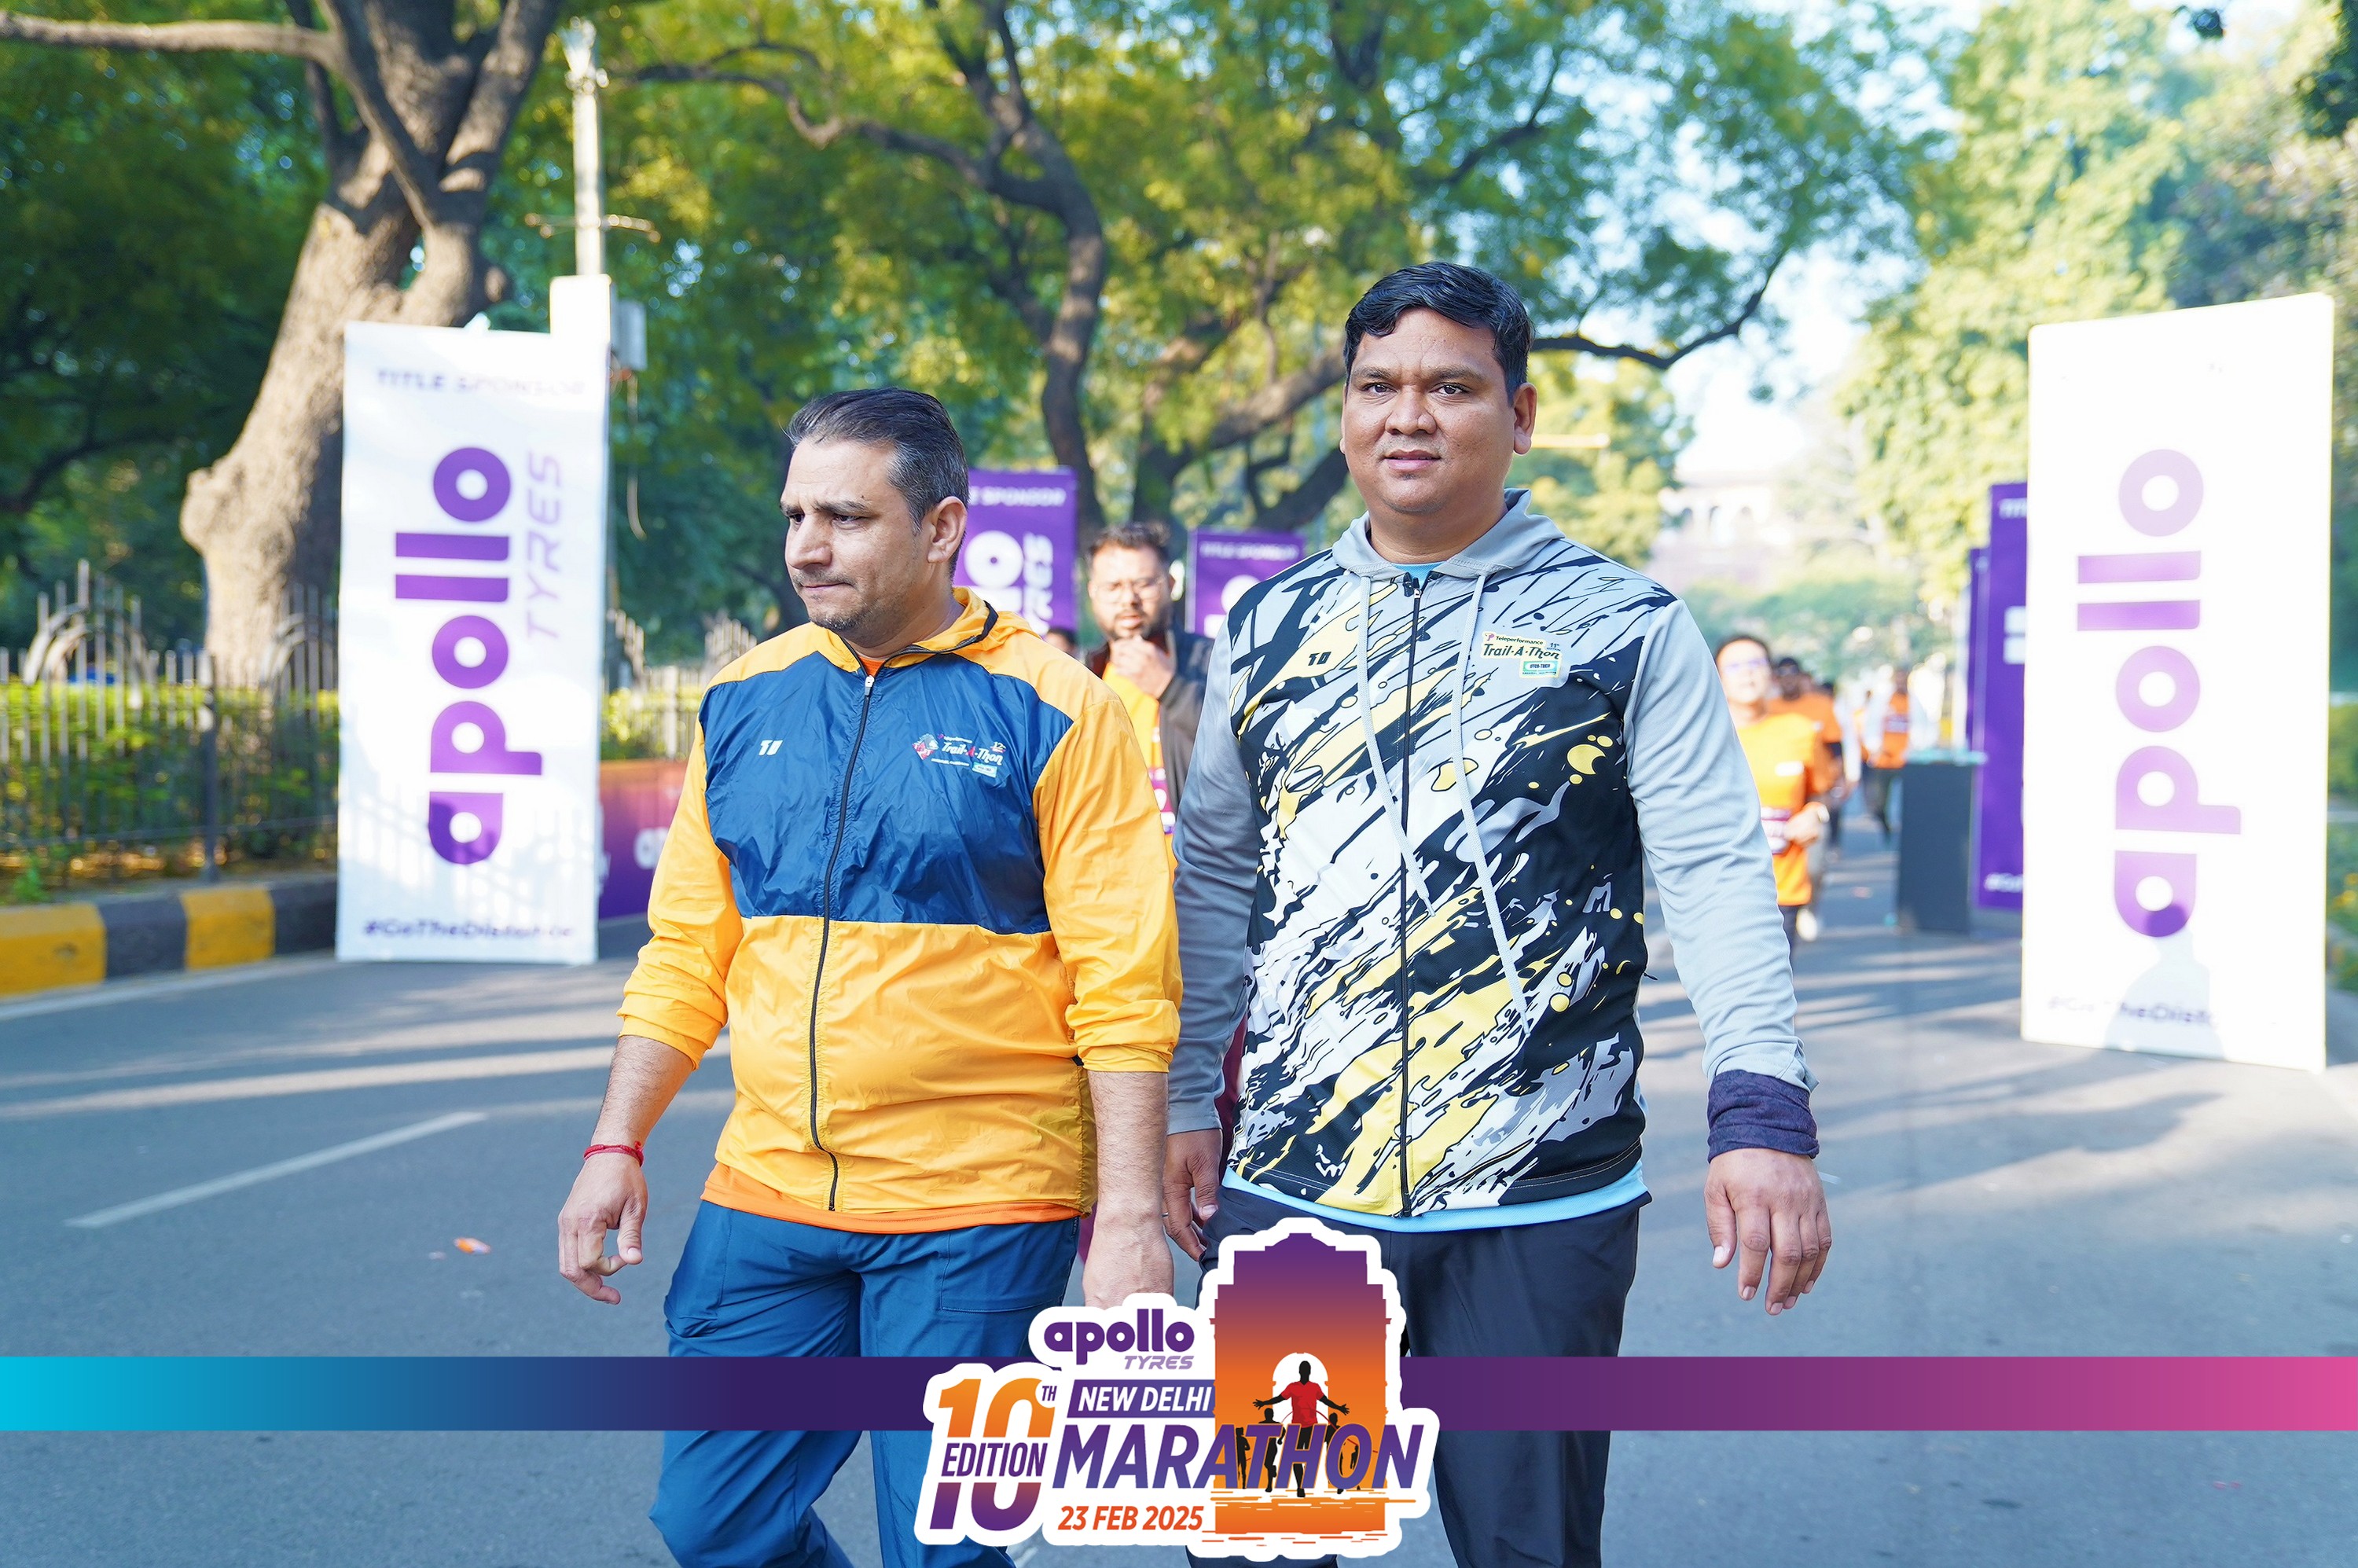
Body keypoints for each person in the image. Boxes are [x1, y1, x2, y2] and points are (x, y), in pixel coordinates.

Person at [1163, 263, 1828, 1568]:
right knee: (1262, 1547)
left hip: (1539, 1197)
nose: (1408, 414)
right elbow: (1216, 879)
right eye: (1377, 386)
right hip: (1298, 1193)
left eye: (1451, 387)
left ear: (1519, 416)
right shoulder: (1267, 626)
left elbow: (1712, 869)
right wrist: (1189, 1096)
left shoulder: (1624, 624)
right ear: (1345, 414)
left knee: (1529, 1551)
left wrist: (1762, 1110)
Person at [556, 387, 1179, 1568]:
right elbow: (686, 949)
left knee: (948, 1548)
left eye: (845, 517)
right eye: (796, 514)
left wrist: (1131, 1223)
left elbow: (1125, 985)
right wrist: (614, 1142)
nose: (807, 545)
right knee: (715, 1523)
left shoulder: (1061, 708)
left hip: (981, 1205)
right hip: (771, 1192)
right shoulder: (744, 698)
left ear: (942, 528)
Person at [1085, 520, 1214, 839]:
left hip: (1191, 866)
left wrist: (1172, 690)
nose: (1129, 599)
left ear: (1170, 584)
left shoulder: (1215, 660)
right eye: (1113, 587)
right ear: (1093, 593)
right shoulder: (1081, 674)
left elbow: (1250, 750)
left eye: (1143, 584)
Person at [1723, 638, 1837, 953]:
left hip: (1781, 889)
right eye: (1735, 666)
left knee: (1774, 980)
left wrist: (1814, 813)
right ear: (1718, 677)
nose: (1747, 673)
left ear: (1770, 674)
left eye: (1756, 664)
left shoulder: (1799, 730)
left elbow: (1823, 791)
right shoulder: (1697, 737)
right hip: (1717, 892)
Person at [1769, 654, 1847, 938]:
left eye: (1793, 674)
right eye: (1782, 675)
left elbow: (1836, 748)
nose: (1788, 680)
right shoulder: (1769, 709)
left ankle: (1810, 908)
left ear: (1801, 677)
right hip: (1775, 801)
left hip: (1812, 798)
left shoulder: (1820, 706)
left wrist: (1839, 781)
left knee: (1814, 865)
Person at [1251, 1360, 1349, 1496]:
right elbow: (1280, 1398)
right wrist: (1264, 1403)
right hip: (1297, 1429)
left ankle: (1336, 1482)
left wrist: (1339, 1408)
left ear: (1309, 1372)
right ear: (1300, 1371)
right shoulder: (1292, 1387)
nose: (1305, 1371)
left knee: (1313, 1459)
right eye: (1303, 1369)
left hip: (1312, 1428)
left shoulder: (1315, 1387)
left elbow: (1325, 1401)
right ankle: (1300, 1487)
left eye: (1306, 1369)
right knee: (1296, 1459)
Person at [1858, 666, 1912, 843]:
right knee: (1878, 803)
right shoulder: (1883, 701)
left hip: (1905, 762)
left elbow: (1923, 729)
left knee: (1910, 802)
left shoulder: (1914, 702)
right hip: (1883, 761)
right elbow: (1870, 726)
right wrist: (1875, 747)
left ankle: (1907, 835)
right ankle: (1886, 826)